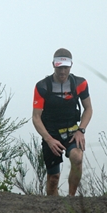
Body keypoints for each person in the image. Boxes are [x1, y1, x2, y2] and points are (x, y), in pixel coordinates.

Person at [32, 48, 93, 196]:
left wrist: (81, 130)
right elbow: (36, 117)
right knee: (53, 178)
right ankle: (53, 208)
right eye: (59, 67)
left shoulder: (80, 83)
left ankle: (71, 198)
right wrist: (49, 139)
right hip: (51, 133)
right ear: (53, 65)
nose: (62, 71)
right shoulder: (42, 86)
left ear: (71, 65)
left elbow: (88, 109)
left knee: (77, 158)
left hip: (72, 130)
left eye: (65, 67)